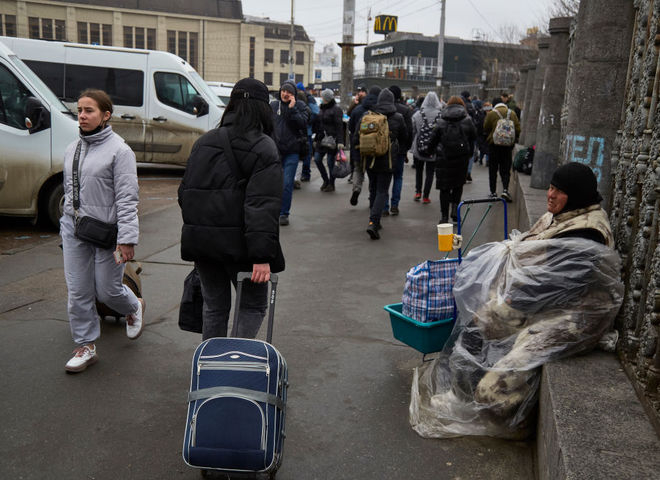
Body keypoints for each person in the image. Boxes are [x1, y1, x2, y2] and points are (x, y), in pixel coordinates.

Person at [410, 163, 623, 439]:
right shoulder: (568, 215)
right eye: (551, 187)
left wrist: (508, 303)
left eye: (559, 191)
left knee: (490, 355)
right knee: (476, 322)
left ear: (577, 195)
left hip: (573, 316)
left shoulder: (586, 232)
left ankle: (503, 416)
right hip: (548, 301)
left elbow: (555, 287)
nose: (550, 195)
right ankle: (460, 395)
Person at [178, 78, 285, 341]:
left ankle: (210, 369)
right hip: (244, 249)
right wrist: (262, 256)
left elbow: (184, 194)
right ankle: (233, 362)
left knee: (214, 308)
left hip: (204, 246)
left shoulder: (204, 143)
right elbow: (262, 205)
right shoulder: (263, 147)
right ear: (263, 109)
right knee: (253, 305)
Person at [60, 89, 142, 373]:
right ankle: (85, 346)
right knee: (78, 290)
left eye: (89, 110)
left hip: (107, 232)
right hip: (74, 228)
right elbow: (71, 193)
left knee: (107, 291)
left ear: (106, 115)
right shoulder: (73, 148)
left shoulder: (121, 151)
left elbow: (128, 198)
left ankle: (132, 307)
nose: (82, 115)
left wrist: (127, 239)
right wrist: (67, 223)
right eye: (79, 110)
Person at [356, 88, 407, 239]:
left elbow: (355, 137)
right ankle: (373, 222)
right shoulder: (398, 117)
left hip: (370, 158)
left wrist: (357, 158)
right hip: (388, 159)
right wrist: (401, 151)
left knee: (373, 188)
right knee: (382, 191)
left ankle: (374, 220)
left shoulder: (367, 116)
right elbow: (405, 137)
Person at [427, 96, 477, 224]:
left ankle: (444, 217)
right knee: (457, 186)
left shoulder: (441, 120)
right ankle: (455, 211)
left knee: (444, 188)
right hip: (461, 159)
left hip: (444, 159)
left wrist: (429, 151)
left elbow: (433, 139)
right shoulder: (467, 120)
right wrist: (469, 154)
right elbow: (473, 137)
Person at [270, 80, 310, 226]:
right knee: (274, 184)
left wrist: (292, 109)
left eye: (289, 92)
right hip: (275, 151)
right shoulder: (273, 106)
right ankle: (273, 211)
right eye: (283, 91)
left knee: (287, 183)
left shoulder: (300, 106)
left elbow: (302, 124)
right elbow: (267, 125)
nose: (285, 94)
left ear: (294, 95)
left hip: (292, 151)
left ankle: (284, 213)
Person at [383, 84, 413, 216]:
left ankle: (384, 206)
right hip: (399, 149)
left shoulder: (381, 109)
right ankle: (395, 204)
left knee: (384, 178)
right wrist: (406, 148)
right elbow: (409, 132)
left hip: (383, 149)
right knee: (398, 177)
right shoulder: (405, 110)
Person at [483, 99, 521, 202]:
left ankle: (493, 192)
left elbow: (485, 128)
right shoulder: (512, 113)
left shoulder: (491, 114)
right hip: (507, 146)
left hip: (494, 145)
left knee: (493, 169)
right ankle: (505, 190)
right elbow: (518, 129)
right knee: (505, 168)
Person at [348, 85, 380, 206]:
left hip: (358, 147)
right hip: (373, 148)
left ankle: (356, 189)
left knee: (358, 170)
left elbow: (350, 127)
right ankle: (372, 198)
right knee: (373, 174)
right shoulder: (379, 111)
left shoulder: (357, 109)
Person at [410, 92, 443, 204]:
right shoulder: (441, 115)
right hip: (433, 149)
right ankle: (426, 196)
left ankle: (418, 192)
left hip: (419, 148)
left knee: (419, 170)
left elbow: (413, 131)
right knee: (430, 172)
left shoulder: (418, 114)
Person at [313, 88, 344, 192]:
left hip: (332, 140)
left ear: (327, 98)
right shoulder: (321, 108)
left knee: (330, 162)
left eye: (323, 96)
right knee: (317, 159)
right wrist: (316, 137)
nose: (321, 98)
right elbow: (318, 125)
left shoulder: (336, 109)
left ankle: (331, 183)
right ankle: (325, 180)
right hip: (321, 139)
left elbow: (340, 127)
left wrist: (340, 142)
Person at [296, 82, 318, 183]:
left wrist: (307, 122)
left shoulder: (309, 99)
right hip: (301, 130)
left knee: (306, 153)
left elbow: (315, 113)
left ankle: (305, 173)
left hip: (307, 131)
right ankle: (302, 174)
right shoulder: (301, 98)